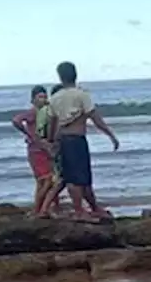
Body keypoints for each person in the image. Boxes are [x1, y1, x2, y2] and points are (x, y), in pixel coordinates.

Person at [47, 62, 119, 221]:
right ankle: (80, 211)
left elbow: (52, 123)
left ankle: (93, 208)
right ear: (75, 74)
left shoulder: (55, 98)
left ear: (60, 77)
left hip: (64, 140)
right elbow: (95, 118)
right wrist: (110, 135)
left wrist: (52, 142)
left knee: (76, 177)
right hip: (77, 139)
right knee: (80, 179)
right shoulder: (82, 95)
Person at [11, 85, 59, 216]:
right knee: (48, 180)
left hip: (47, 150)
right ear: (33, 100)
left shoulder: (47, 112)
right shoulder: (33, 112)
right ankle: (38, 208)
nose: (43, 99)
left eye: (44, 96)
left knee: (45, 181)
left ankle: (48, 208)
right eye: (40, 97)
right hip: (36, 151)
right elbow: (16, 120)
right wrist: (28, 134)